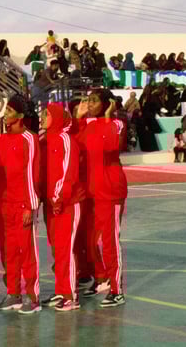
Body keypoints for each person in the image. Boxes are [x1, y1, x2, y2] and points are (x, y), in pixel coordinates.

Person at [74, 89, 127, 307]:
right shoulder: (88, 125)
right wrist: (79, 118)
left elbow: (111, 146)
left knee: (109, 241)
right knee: (90, 239)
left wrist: (107, 117)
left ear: (107, 104)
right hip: (92, 191)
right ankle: (102, 277)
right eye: (88, 100)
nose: (89, 104)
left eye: (94, 101)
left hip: (111, 191)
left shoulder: (116, 123)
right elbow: (74, 145)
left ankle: (117, 290)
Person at [0, 96, 42, 314]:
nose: (5, 115)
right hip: (5, 204)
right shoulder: (2, 140)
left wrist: (30, 205)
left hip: (23, 204)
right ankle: (13, 293)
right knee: (8, 251)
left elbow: (32, 173)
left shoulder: (30, 139)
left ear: (20, 116)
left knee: (26, 252)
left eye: (10, 111)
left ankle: (33, 296)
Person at [39, 102, 84, 311]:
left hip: (67, 203)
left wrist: (58, 197)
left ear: (56, 117)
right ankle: (61, 289)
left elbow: (68, 172)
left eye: (46, 114)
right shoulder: (44, 140)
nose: (42, 117)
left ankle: (70, 295)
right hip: (51, 204)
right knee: (57, 248)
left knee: (66, 248)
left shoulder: (66, 140)